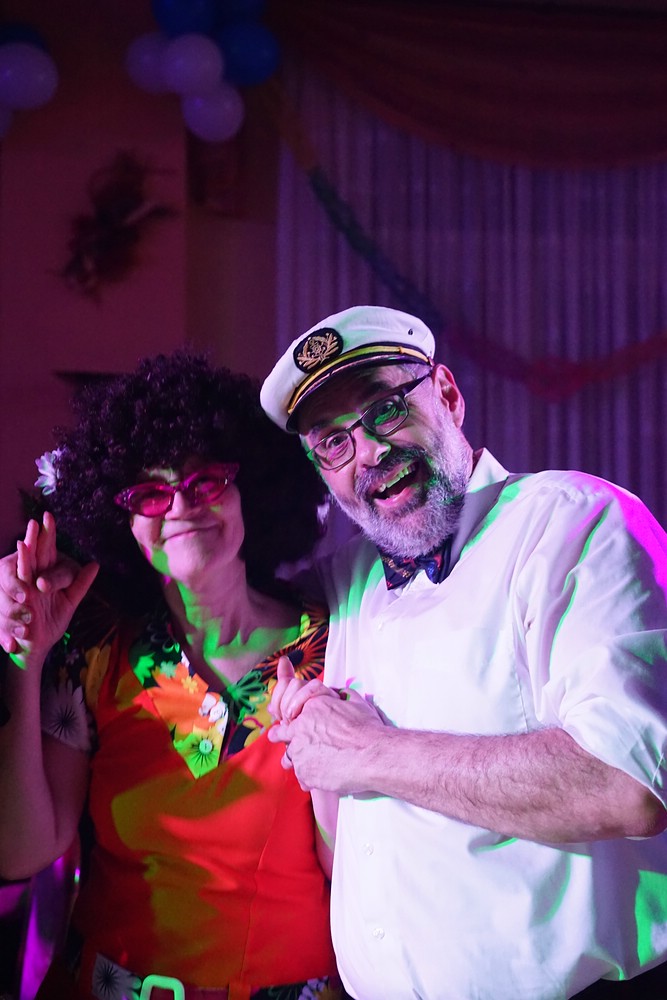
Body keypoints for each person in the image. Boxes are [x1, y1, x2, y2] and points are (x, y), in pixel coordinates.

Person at [258, 305, 667, 1000]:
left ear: (446, 395)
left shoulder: (574, 522)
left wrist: (367, 752)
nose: (369, 452)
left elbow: (625, 783)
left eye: (385, 409)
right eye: (332, 441)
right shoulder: (345, 584)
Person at [0, 351, 343, 1000]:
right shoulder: (96, 652)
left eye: (205, 481)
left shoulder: (334, 644)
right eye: (149, 493)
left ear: (248, 490)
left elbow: (357, 863)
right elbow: (22, 851)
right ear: (123, 524)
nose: (180, 505)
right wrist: (25, 659)